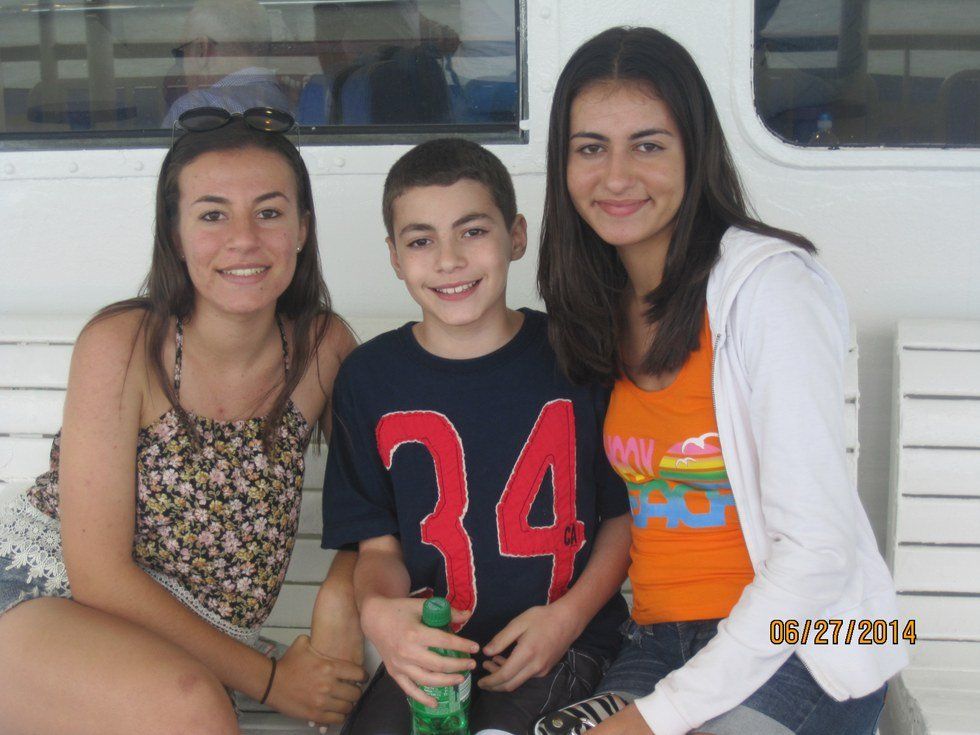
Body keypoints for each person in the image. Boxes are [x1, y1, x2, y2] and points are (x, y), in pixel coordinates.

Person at [533, 27, 907, 735]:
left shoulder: (769, 289)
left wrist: (657, 719)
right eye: (591, 148)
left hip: (814, 637)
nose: (616, 177)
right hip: (662, 639)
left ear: (694, 150)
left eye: (648, 145)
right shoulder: (600, 305)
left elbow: (819, 552)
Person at [0, 109, 365, 734]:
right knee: (191, 710)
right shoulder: (124, 345)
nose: (244, 239)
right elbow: (99, 576)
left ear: (303, 228)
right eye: (212, 215)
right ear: (174, 234)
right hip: (50, 597)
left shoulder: (322, 348)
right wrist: (270, 679)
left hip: (194, 649)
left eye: (269, 212)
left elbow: (381, 495)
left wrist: (338, 592)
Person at [319, 138, 632, 735]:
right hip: (437, 651)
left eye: (472, 231)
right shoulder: (369, 378)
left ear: (516, 236)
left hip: (564, 642)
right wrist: (380, 613)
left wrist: (567, 619)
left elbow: (622, 516)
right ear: (394, 257)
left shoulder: (578, 355)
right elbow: (379, 550)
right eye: (420, 240)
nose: (449, 260)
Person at [163, 0, 291, 127]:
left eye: (181, 53)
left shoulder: (193, 110)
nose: (181, 66)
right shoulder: (286, 103)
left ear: (201, 50)